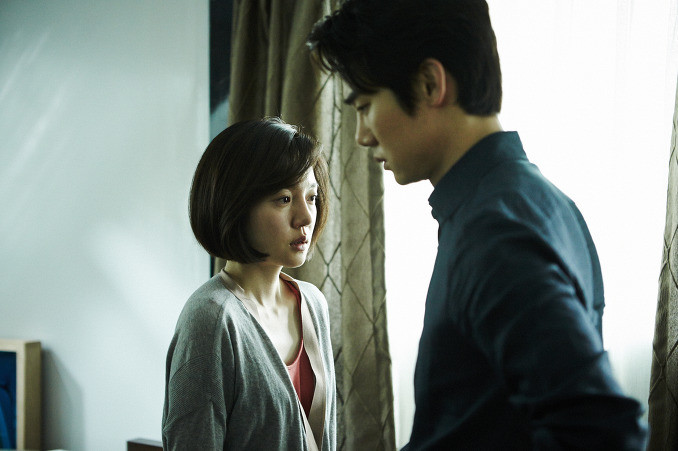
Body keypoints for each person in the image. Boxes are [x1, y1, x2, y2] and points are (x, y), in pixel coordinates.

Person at [308, 0, 647, 449]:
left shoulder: (493, 233)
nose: (362, 135)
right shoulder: (541, 201)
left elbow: (601, 431)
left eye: (366, 106)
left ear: (430, 84)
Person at [162, 118, 336, 451]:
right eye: (284, 199)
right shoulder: (211, 319)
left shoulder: (313, 303)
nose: (305, 217)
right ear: (236, 206)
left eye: (312, 197)